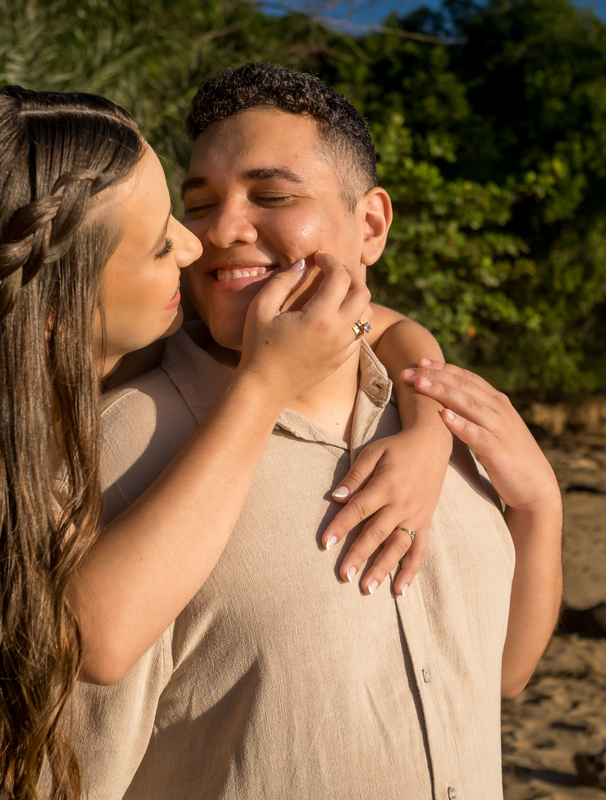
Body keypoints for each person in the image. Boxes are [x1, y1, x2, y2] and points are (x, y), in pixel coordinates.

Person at [0, 85, 455, 800]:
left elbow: (379, 320)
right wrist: (262, 386)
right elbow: (103, 639)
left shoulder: (27, 348)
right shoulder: (17, 444)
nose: (196, 243)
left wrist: (429, 421)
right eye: (159, 243)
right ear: (55, 307)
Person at [70, 63, 564, 800]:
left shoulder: (449, 417)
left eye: (271, 196)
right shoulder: (123, 443)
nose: (221, 231)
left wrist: (539, 507)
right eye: (199, 205)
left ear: (371, 226)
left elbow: (500, 675)